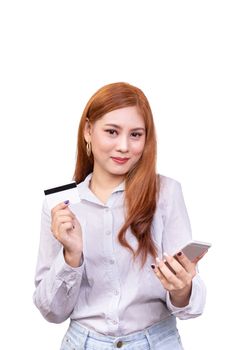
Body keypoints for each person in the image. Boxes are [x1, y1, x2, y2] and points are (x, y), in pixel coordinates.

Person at [33, 82, 206, 349]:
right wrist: (71, 256)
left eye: (136, 135)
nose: (124, 146)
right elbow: (51, 312)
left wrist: (182, 287)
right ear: (88, 130)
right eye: (112, 132)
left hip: (157, 341)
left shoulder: (167, 193)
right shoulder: (61, 205)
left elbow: (190, 308)